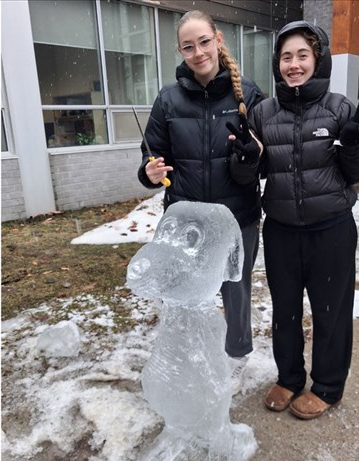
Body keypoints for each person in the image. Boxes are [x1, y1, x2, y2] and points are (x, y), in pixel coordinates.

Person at [241, 22, 359, 419]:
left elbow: (356, 173)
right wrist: (244, 159)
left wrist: (353, 144)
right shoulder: (263, 112)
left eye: (303, 55)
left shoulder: (338, 108)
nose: (294, 64)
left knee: (330, 311)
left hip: (331, 229)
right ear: (277, 63)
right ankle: (288, 378)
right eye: (286, 57)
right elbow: (252, 173)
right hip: (282, 229)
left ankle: (329, 387)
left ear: (317, 60)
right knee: (284, 310)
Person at [136, 10, 265, 393]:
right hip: (187, 221)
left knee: (235, 290)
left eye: (204, 42)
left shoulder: (249, 93)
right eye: (188, 46)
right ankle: (187, 354)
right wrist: (150, 172)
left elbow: (261, 158)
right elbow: (149, 158)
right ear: (180, 51)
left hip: (237, 215)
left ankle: (237, 355)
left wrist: (249, 157)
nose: (198, 52)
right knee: (183, 294)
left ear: (218, 40)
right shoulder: (169, 100)